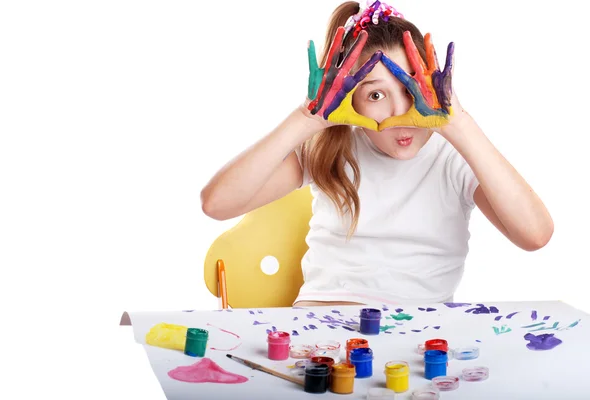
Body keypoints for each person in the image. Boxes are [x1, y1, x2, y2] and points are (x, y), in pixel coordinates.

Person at [200, 1, 553, 307]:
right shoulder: (331, 149)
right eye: (375, 95)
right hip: (324, 321)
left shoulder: (455, 157)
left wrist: (459, 123)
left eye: (409, 87)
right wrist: (305, 119)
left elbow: (535, 235)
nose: (400, 112)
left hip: (421, 333)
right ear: (347, 100)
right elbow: (217, 204)